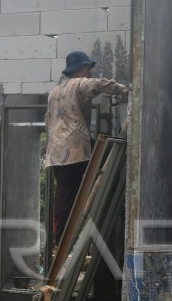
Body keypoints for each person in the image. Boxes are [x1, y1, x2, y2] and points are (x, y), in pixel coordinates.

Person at [44, 51, 129, 245]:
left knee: (65, 196)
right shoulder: (79, 83)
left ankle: (62, 239)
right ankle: (70, 238)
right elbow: (98, 84)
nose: (90, 73)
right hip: (76, 150)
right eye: (88, 69)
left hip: (57, 153)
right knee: (107, 163)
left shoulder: (54, 92)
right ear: (81, 69)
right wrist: (126, 91)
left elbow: (47, 119)